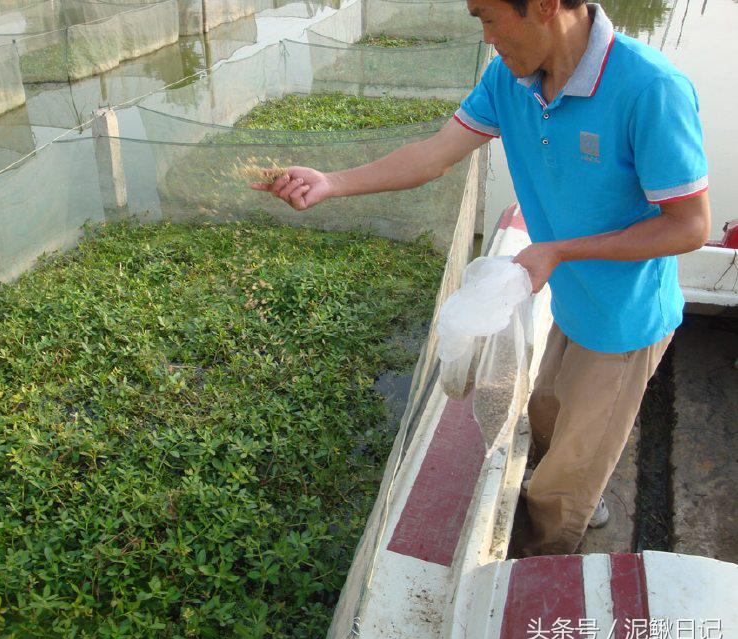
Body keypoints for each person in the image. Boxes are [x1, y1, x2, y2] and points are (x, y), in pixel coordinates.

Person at [250, 0, 711, 556]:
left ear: (543, 6)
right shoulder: (510, 80)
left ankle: (541, 556)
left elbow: (688, 226)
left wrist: (558, 250)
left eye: (490, 17)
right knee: (547, 413)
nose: (488, 37)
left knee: (563, 484)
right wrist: (332, 182)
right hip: (567, 294)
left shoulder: (651, 89)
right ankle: (574, 484)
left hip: (624, 319)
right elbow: (433, 155)